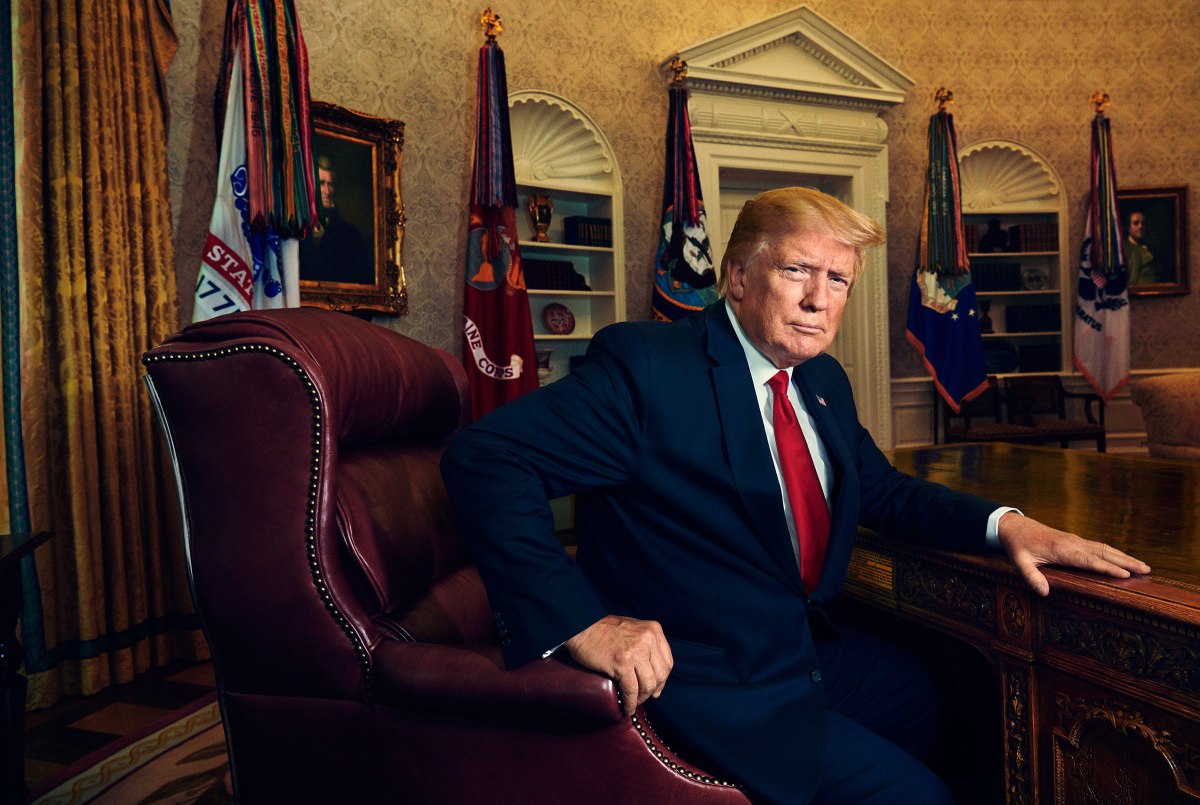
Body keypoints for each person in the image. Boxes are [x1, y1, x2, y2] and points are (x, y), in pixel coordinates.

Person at [440, 187, 1149, 804]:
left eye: (838, 279)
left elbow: (881, 491)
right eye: (798, 271)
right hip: (705, 678)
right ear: (741, 276)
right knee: (923, 795)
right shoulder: (650, 368)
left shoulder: (820, 381)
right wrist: (584, 621)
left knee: (944, 699)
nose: (819, 299)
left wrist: (1008, 524)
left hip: (792, 647)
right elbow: (486, 458)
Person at [298, 153, 373, 285]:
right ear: (311, 185)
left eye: (331, 184)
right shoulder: (294, 227)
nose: (327, 191)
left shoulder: (351, 235)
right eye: (321, 183)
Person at [1126, 210, 1163, 285]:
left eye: (1143, 223)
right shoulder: (1125, 249)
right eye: (1136, 223)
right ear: (1128, 227)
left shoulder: (1149, 247)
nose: (1140, 226)